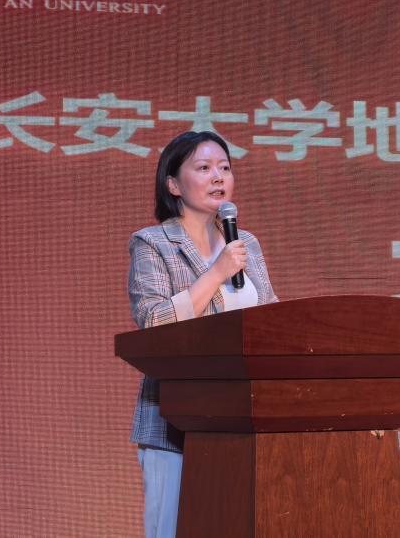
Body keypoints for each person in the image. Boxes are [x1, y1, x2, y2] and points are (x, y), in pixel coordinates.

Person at [128, 130, 278, 538]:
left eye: (225, 168)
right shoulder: (153, 243)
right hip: (174, 422)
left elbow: (271, 318)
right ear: (173, 184)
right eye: (204, 168)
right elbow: (153, 323)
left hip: (244, 421)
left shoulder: (246, 243)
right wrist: (216, 273)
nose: (218, 177)